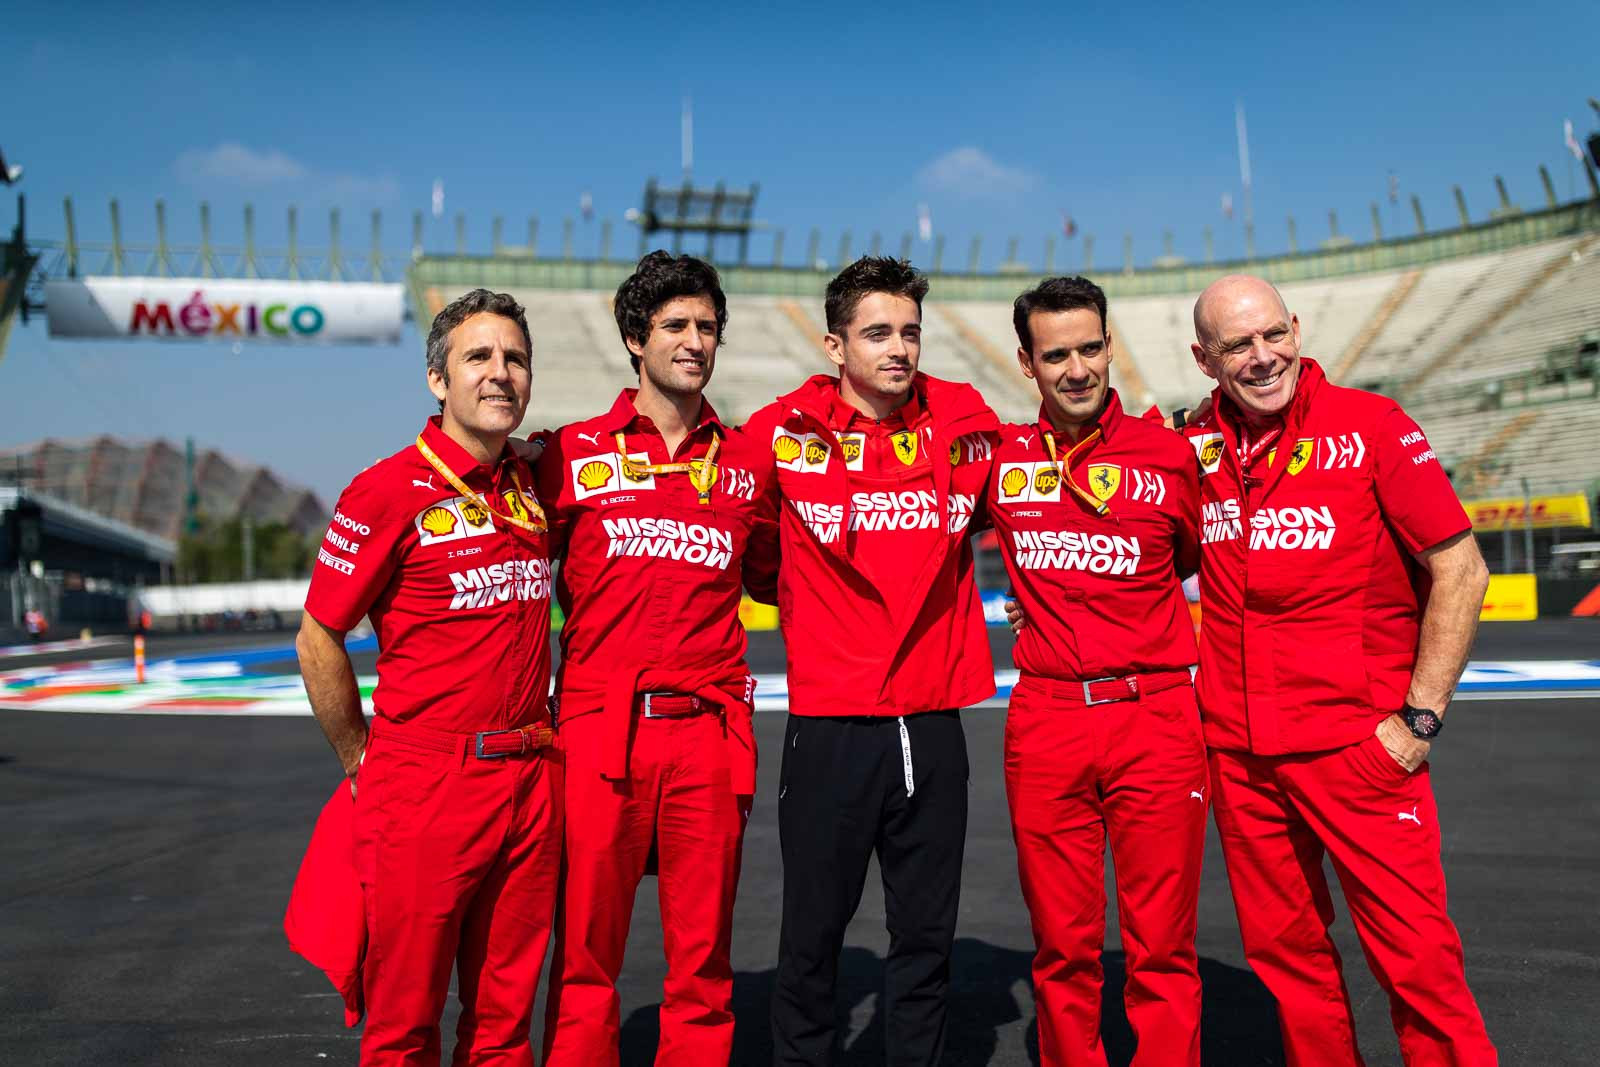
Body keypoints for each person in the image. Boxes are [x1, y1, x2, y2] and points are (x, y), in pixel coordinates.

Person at [1185, 274, 1497, 1065]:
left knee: (1419, 963)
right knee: (1290, 966)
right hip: (1243, 759)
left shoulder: (1374, 426)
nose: (1263, 358)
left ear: (1296, 326)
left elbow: (1461, 570)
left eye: (1273, 335)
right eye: (1237, 346)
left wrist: (1418, 722)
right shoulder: (1194, 447)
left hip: (1361, 750)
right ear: (1204, 358)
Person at [296, 288, 561, 1066]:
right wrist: (359, 758)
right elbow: (318, 637)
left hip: (531, 778)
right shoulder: (385, 490)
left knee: (505, 1022)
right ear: (438, 380)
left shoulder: (531, 480)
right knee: (405, 1022)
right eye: (478, 356)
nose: (500, 372)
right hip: (425, 780)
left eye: (515, 358)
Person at [744, 256, 998, 1067]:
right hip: (830, 728)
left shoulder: (967, 421)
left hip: (933, 724)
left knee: (925, 944)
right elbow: (750, 554)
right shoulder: (777, 434)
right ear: (834, 344)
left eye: (911, 332)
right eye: (879, 332)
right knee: (810, 944)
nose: (900, 348)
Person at [534, 251, 776, 1067]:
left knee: (704, 968)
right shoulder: (565, 455)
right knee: (584, 963)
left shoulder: (748, 464)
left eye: (707, 326)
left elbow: (794, 574)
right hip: (599, 733)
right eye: (676, 325)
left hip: (708, 737)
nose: (695, 340)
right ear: (636, 338)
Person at [989, 276, 1206, 1066]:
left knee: (1162, 949)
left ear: (1110, 346)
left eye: (1089, 348)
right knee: (1062, 947)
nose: (1076, 368)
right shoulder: (1001, 457)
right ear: (1027, 362)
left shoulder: (1172, 455)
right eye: (1056, 355)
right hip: (1046, 719)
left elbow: (1190, 560)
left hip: (1154, 717)